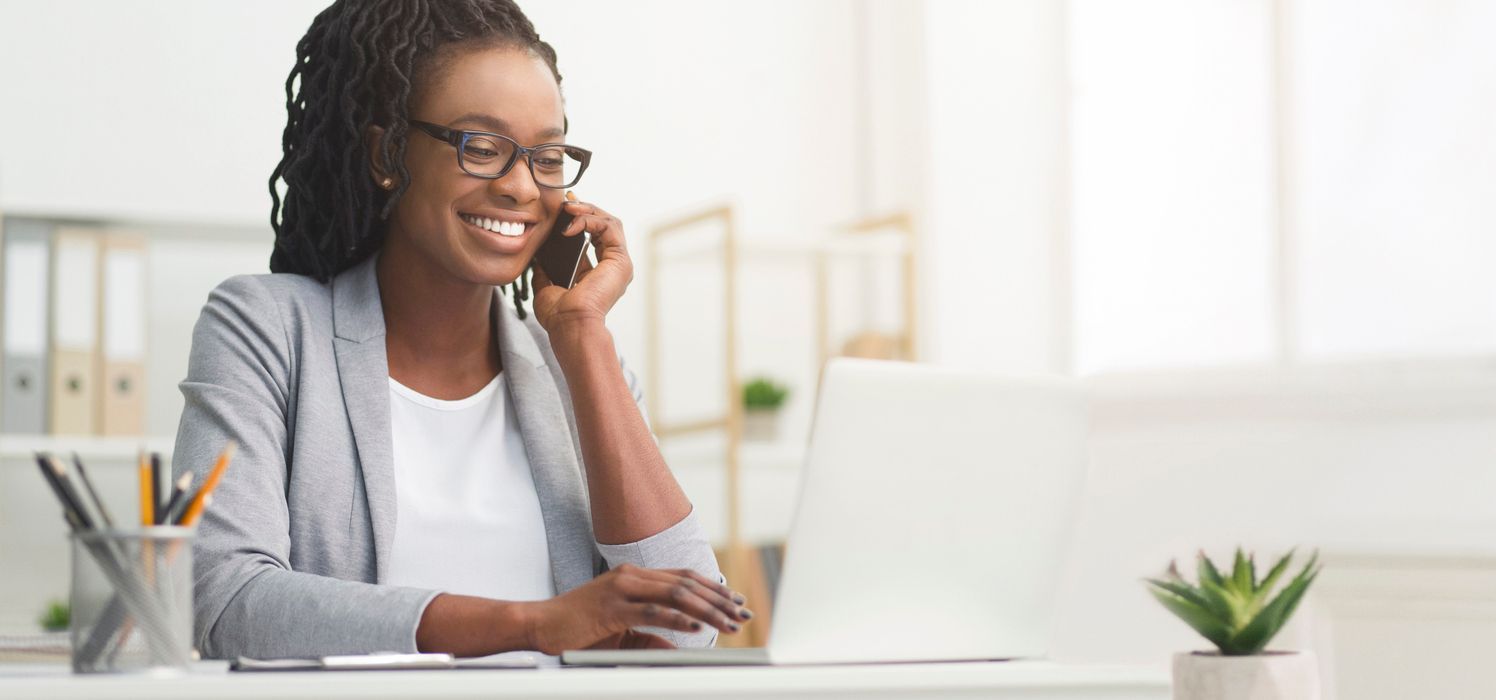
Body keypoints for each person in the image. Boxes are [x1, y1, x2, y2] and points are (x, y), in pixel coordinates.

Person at [172, 0, 747, 660]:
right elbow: (224, 600)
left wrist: (582, 334)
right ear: (387, 153)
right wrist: (531, 624)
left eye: (548, 156)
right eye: (483, 147)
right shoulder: (268, 330)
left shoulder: (575, 368)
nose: (521, 187)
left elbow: (691, 628)